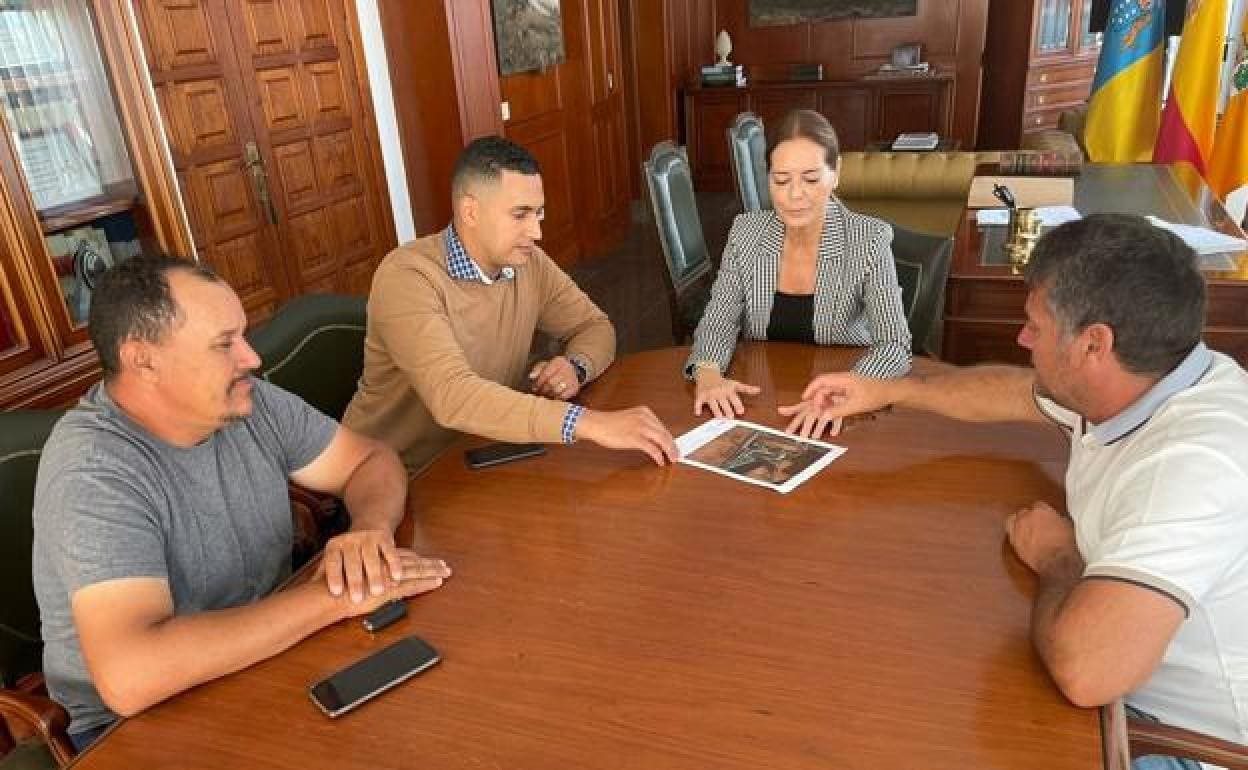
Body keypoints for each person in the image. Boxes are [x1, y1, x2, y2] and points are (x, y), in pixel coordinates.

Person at [781, 213, 1248, 768]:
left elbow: (1087, 671)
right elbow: (1013, 393)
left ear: (1094, 344)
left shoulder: (1193, 465)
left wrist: (1057, 557)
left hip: (1183, 740)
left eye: (1036, 327)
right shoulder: (1142, 378)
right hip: (1126, 680)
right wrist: (888, 391)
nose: (1022, 338)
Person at [32, 256, 451, 751]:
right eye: (223, 344)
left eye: (244, 335)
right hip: (139, 728)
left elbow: (370, 460)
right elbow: (132, 676)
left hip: (271, 650)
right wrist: (333, 597)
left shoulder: (248, 403)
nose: (251, 358)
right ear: (143, 360)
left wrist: (370, 528)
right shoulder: (94, 470)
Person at [343, 135, 677, 473]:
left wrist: (575, 367)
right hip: (395, 476)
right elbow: (453, 396)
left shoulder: (528, 262)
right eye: (520, 215)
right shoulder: (407, 277)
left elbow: (593, 326)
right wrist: (591, 424)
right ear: (470, 212)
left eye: (539, 214)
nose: (536, 232)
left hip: (483, 454)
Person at [685, 109, 912, 430]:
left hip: (839, 406)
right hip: (760, 402)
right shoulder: (746, 232)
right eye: (781, 180)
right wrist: (707, 373)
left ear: (836, 173)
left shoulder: (868, 239)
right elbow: (719, 319)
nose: (794, 194)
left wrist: (851, 390)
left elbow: (894, 344)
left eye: (810, 178)